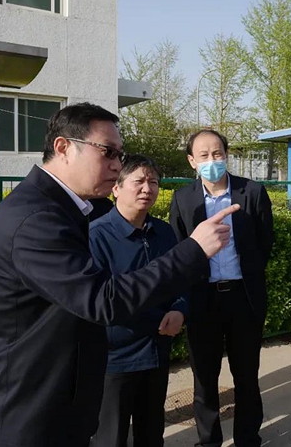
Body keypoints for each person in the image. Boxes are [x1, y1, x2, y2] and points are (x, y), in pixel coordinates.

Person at [0, 103, 238, 447]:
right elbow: (103, 299)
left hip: (57, 405)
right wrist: (194, 250)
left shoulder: (69, 210)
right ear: (63, 147)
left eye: (120, 154)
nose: (116, 164)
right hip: (31, 416)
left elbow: (7, 313)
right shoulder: (36, 220)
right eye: (107, 152)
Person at [169, 129, 274, 447]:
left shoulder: (252, 192)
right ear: (192, 161)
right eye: (203, 155)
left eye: (217, 153)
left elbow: (264, 242)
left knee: (247, 376)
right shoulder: (183, 199)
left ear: (226, 155)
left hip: (244, 298)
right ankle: (209, 441)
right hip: (203, 300)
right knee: (204, 379)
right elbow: (179, 250)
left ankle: (248, 439)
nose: (212, 160)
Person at [88, 155, 184, 447]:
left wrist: (180, 309)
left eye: (153, 182)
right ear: (116, 189)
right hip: (115, 358)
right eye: (139, 181)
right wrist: (157, 319)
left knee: (151, 432)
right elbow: (102, 298)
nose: (147, 188)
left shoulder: (164, 232)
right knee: (110, 437)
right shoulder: (96, 236)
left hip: (156, 351)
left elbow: (181, 279)